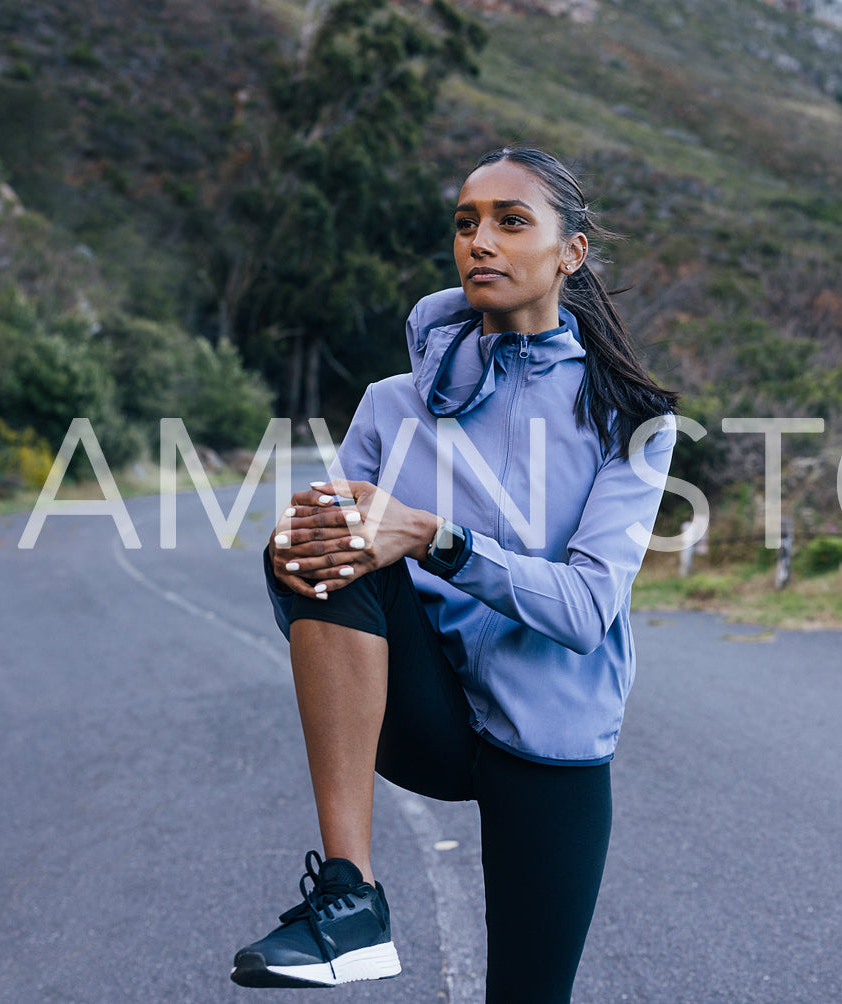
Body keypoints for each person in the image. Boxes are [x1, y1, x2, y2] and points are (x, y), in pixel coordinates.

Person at [230, 147, 680, 1002]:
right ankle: (348, 898)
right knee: (312, 541)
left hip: (550, 736)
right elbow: (335, 565)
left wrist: (438, 538)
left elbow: (587, 608)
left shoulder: (632, 421)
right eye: (466, 222)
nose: (481, 240)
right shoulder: (391, 404)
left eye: (512, 222)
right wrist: (350, 539)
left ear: (569, 253)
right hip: (424, 706)